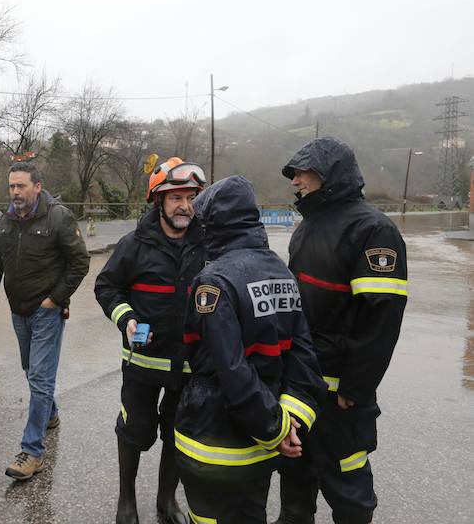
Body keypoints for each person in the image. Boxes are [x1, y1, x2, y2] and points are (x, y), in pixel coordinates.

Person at [174, 176, 326, 524]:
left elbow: (230, 369)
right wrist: (288, 423)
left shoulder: (213, 281)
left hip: (214, 441)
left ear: (214, 224)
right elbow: (303, 355)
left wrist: (274, 430)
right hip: (262, 449)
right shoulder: (281, 272)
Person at [274, 138, 408, 524]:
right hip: (301, 386)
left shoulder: (373, 231)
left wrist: (356, 387)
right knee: (295, 484)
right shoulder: (308, 225)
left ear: (327, 174)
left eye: (302, 172)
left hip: (342, 398)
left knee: (349, 494)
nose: (295, 181)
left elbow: (381, 320)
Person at [94, 157, 207, 524]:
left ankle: (166, 501)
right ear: (158, 201)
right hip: (143, 365)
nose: (185, 206)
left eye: (190, 197)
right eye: (175, 198)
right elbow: (107, 286)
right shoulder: (134, 245)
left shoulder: (208, 243)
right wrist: (126, 318)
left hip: (190, 365)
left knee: (177, 433)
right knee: (134, 430)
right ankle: (126, 501)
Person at [0, 161, 90, 481]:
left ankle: (32, 451)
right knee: (31, 370)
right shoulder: (3, 222)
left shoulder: (58, 217)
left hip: (47, 311)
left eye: (21, 186)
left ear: (37, 187)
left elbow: (79, 262)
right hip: (19, 310)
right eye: (11, 186)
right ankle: (50, 414)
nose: (15, 191)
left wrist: (55, 298)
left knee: (40, 378)